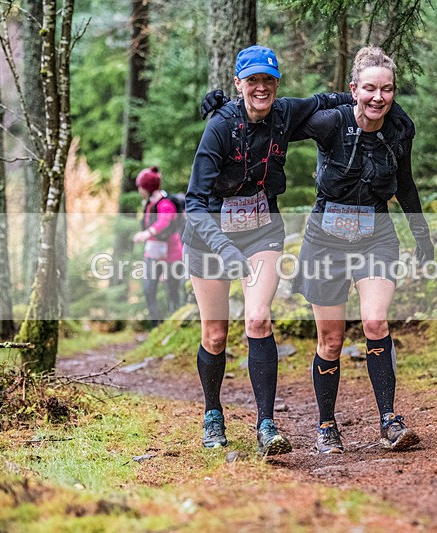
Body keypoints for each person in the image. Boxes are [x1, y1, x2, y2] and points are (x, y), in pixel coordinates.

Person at [183, 45, 353, 455]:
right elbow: (193, 201)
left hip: (261, 231)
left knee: (258, 319)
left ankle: (266, 424)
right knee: (215, 333)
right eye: (253, 80)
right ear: (238, 83)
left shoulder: (284, 115)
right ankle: (212, 414)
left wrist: (370, 98)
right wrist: (223, 248)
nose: (262, 87)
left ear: (277, 83)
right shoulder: (220, 127)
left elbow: (327, 100)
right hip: (210, 235)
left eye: (269, 80)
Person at [291, 46, 435, 454]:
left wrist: (422, 238)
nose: (378, 98)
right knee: (331, 341)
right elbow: (276, 120)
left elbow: (405, 185)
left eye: (386, 90)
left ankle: (389, 420)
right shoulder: (329, 122)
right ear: (354, 89)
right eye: (369, 89)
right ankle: (326, 426)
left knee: (375, 322)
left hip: (376, 234)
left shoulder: (399, 129)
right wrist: (229, 109)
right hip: (325, 239)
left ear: (394, 92)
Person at [132, 166, 186, 329]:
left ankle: (176, 325)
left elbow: (165, 221)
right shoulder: (149, 203)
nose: (139, 190)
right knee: (149, 288)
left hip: (172, 254)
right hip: (153, 253)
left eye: (140, 186)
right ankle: (156, 326)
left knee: (172, 291)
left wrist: (147, 233)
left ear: (147, 188)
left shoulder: (165, 203)